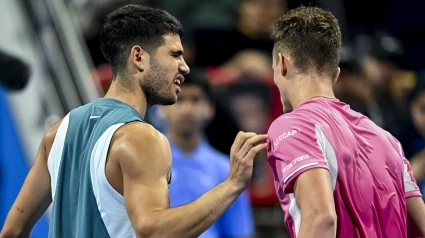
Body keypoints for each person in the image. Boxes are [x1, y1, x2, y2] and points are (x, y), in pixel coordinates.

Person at [0, 5, 268, 238]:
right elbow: (155, 231)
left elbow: (12, 231)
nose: (185, 67)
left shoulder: (58, 131)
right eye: (175, 54)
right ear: (138, 57)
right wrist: (232, 184)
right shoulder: (142, 138)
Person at [266, 6, 425, 238]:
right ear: (336, 75)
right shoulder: (387, 139)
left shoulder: (292, 125)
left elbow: (321, 220)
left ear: (282, 63)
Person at [160, 68, 254, 238]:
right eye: (179, 99)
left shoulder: (229, 169)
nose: (187, 108)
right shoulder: (148, 162)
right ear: (162, 107)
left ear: (210, 108)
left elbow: (240, 232)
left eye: (195, 100)